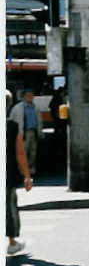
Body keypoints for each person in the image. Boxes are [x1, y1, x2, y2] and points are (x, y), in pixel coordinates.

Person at [7, 119, 33, 255]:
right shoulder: (12, 126)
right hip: (7, 175)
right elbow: (20, 153)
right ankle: (11, 242)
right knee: (9, 208)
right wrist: (27, 176)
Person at [9, 89, 42, 178]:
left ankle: (31, 170)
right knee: (22, 153)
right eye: (28, 96)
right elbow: (12, 121)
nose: (30, 98)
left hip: (33, 132)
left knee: (33, 153)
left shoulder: (36, 108)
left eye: (32, 96)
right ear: (24, 97)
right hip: (22, 133)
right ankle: (21, 172)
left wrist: (40, 132)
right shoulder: (17, 108)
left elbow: (39, 121)